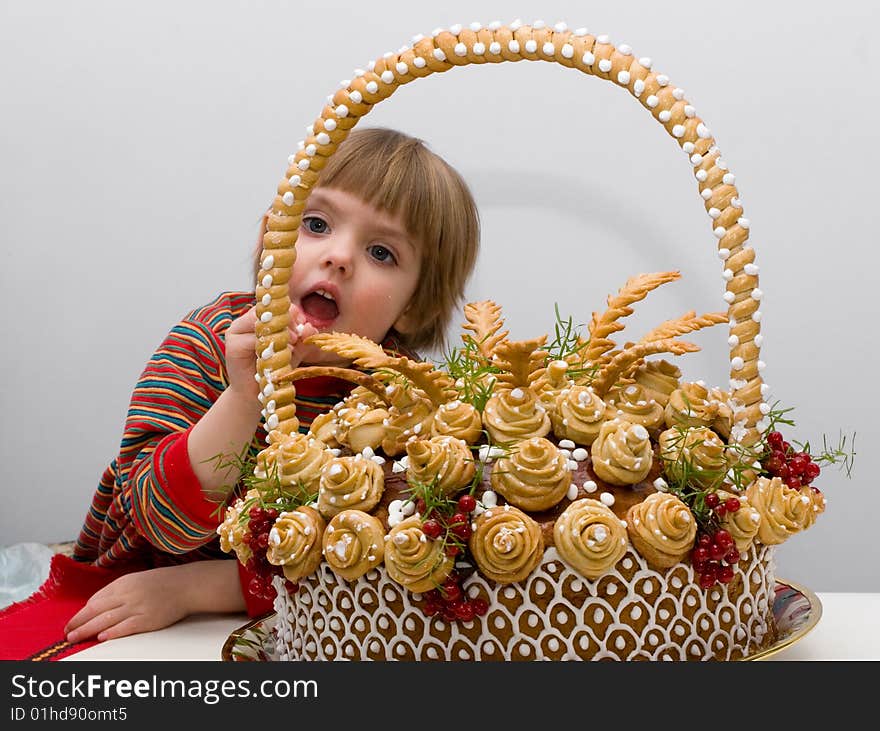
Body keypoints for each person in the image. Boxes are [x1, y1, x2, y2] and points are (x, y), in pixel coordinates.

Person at [63, 127, 480, 643]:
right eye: (317, 224)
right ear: (271, 241)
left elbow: (378, 567)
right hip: (138, 593)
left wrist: (194, 588)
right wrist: (243, 397)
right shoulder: (205, 343)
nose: (339, 256)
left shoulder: (404, 403)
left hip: (289, 611)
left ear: (416, 305)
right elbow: (161, 524)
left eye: (381, 253)